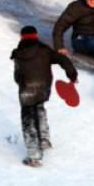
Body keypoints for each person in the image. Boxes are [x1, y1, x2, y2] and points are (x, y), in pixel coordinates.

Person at [11, 25, 77, 167]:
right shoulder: (45, 50)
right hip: (43, 88)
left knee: (28, 119)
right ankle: (44, 141)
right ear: (36, 36)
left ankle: (34, 156)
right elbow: (63, 59)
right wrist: (72, 75)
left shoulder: (18, 53)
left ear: (22, 37)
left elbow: (17, 75)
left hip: (26, 88)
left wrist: (20, 82)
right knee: (39, 108)